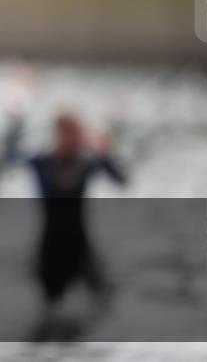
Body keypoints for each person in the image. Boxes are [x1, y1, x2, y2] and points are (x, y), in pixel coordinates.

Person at [27, 112, 126, 312]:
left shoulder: (86, 163)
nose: (75, 142)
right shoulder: (42, 162)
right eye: (71, 136)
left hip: (80, 243)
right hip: (51, 245)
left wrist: (104, 152)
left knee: (103, 298)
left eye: (78, 136)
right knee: (51, 304)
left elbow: (120, 180)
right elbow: (13, 158)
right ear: (59, 135)